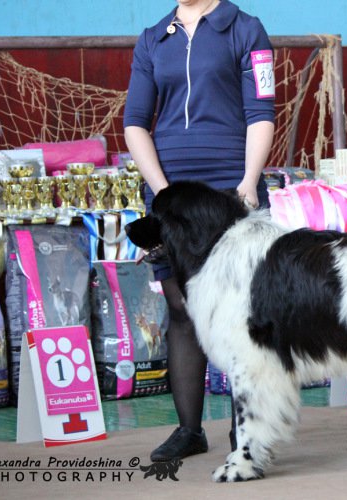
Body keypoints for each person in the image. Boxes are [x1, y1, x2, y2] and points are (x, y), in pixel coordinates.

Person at [123, 0, 275, 462]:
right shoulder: (153, 38)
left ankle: (244, 433)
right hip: (170, 187)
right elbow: (134, 123)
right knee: (182, 309)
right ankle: (190, 430)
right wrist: (163, 193)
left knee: (239, 314)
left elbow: (261, 112)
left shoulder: (245, 28)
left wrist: (248, 182)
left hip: (230, 185)